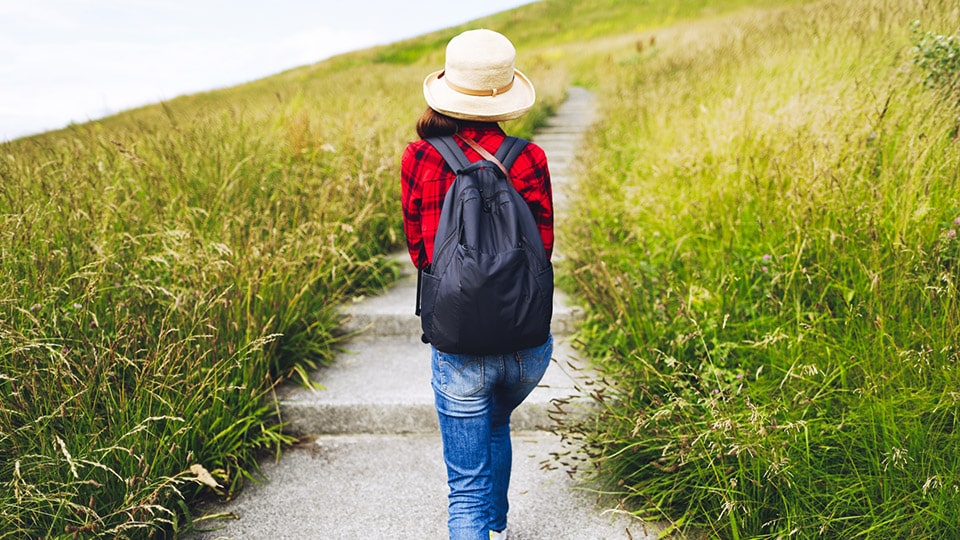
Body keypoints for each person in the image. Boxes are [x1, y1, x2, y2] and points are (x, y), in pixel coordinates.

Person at [400, 29, 554, 540]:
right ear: (504, 94)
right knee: (496, 423)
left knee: (464, 489)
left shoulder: (420, 158)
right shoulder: (528, 158)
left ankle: (482, 528)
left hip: (460, 344)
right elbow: (541, 251)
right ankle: (499, 530)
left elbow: (423, 255)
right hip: (525, 347)